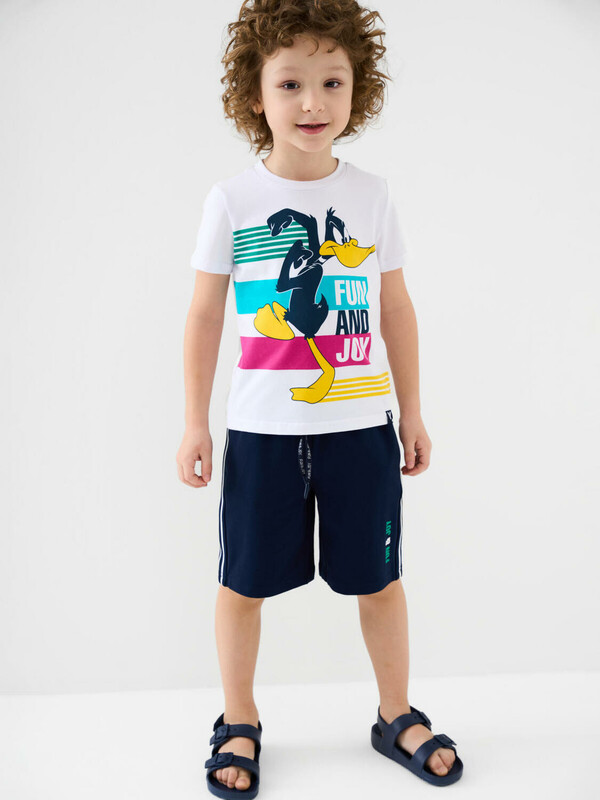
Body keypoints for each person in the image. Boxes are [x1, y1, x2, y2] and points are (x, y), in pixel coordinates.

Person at [177, 1, 463, 796]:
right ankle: (239, 718)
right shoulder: (233, 201)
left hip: (360, 430)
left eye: (332, 82)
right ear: (255, 94)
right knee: (242, 585)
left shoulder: (370, 196)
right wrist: (194, 422)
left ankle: (396, 713)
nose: (313, 102)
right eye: (291, 83)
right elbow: (204, 316)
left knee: (380, 580)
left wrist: (412, 410)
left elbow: (395, 306)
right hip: (262, 433)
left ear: (357, 89)